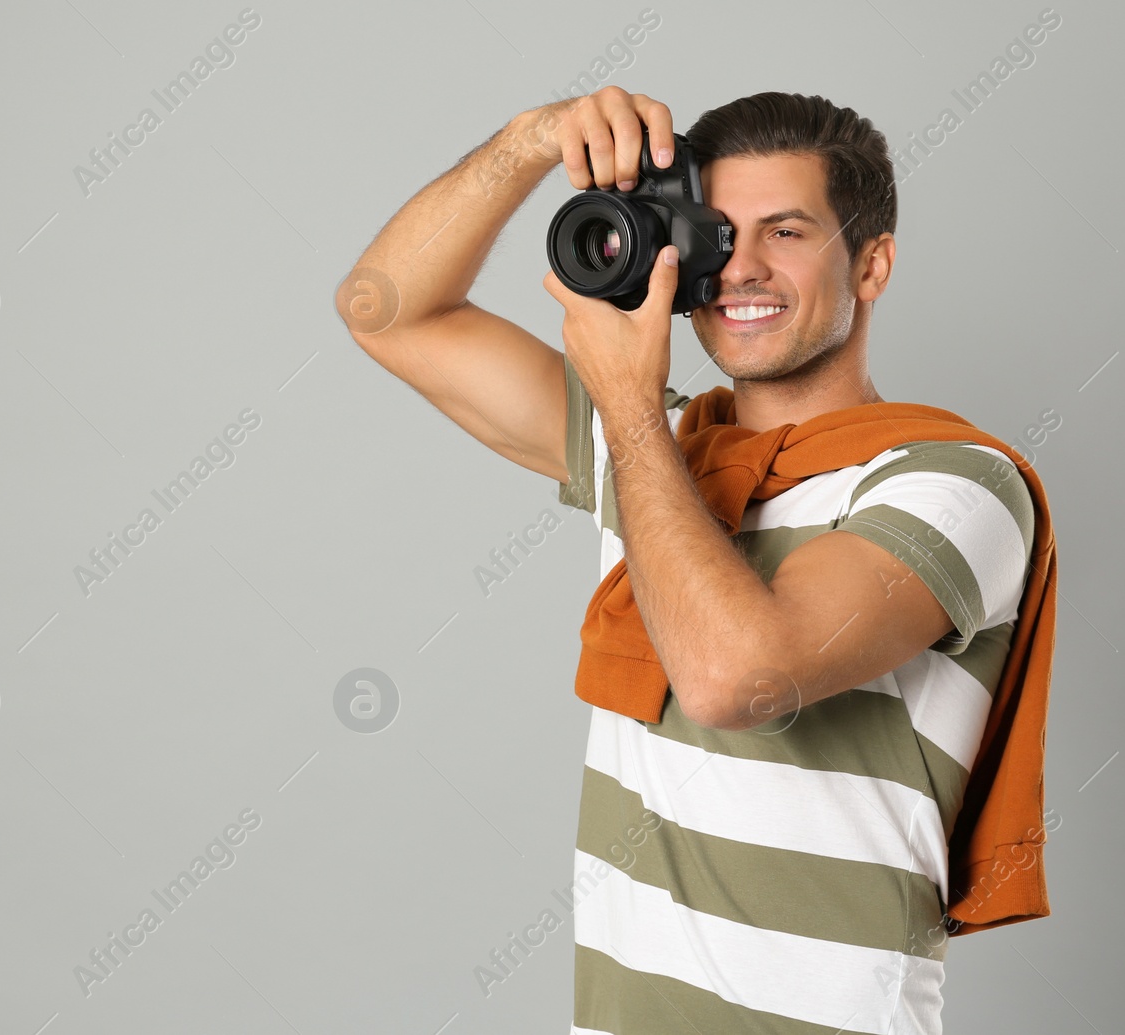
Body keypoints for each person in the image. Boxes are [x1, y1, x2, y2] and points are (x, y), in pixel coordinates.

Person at [338, 87, 1040, 1035]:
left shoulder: (952, 484)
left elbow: (733, 678)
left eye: (786, 231)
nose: (740, 267)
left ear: (872, 263)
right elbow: (388, 311)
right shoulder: (666, 453)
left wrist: (628, 406)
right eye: (715, 231)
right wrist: (529, 141)